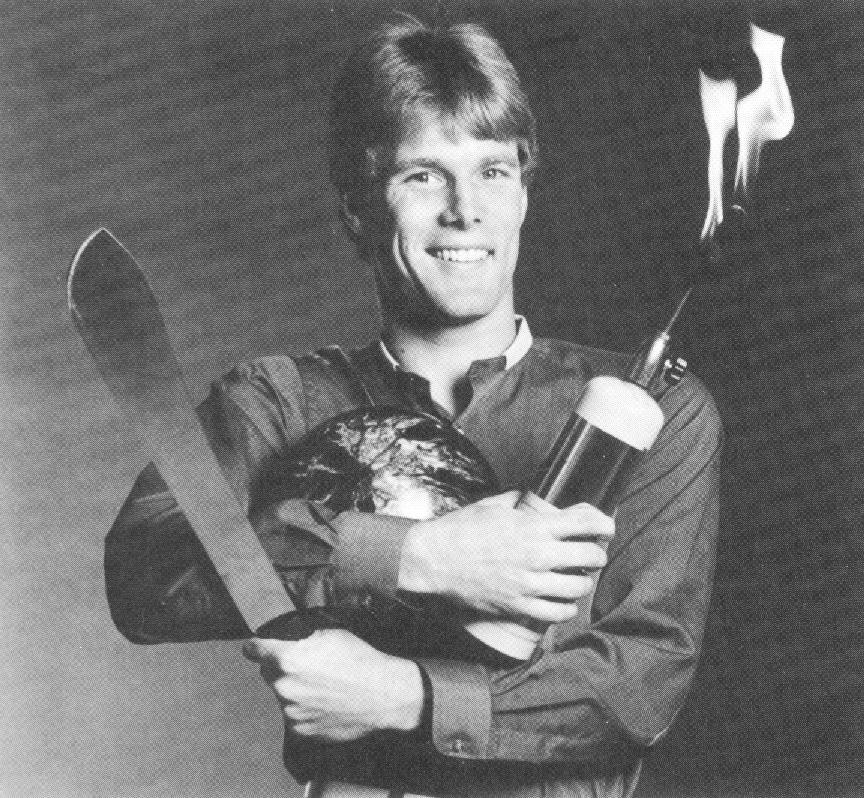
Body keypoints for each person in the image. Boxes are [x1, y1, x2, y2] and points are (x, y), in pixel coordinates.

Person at [105, 14, 722, 798]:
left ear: (524, 196)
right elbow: (145, 577)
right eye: (424, 176)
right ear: (358, 210)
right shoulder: (278, 402)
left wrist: (405, 696)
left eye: (493, 171)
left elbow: (639, 683)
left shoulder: (653, 414)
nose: (466, 209)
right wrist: (418, 557)